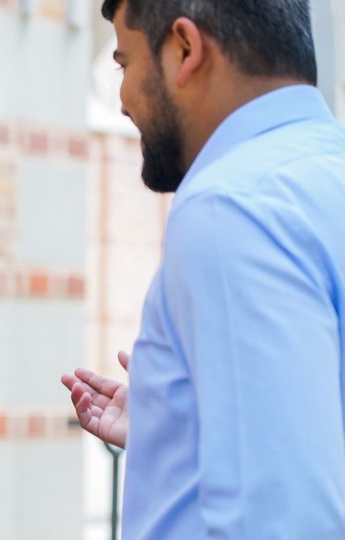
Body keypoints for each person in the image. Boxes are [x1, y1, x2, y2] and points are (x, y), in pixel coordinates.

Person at [63, 0, 345, 537]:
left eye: (125, 64)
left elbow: (281, 520)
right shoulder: (326, 174)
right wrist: (179, 429)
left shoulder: (230, 209)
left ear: (185, 49)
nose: (121, 100)